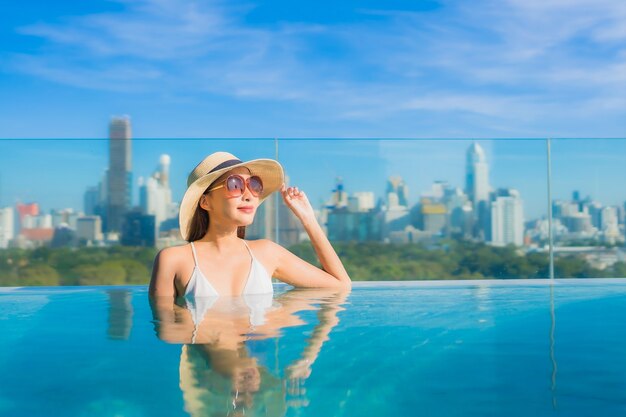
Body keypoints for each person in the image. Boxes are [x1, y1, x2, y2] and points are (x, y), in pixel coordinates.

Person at [149, 151, 352, 298]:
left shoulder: (266, 252)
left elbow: (341, 286)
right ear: (205, 201)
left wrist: (308, 219)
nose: (249, 195)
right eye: (235, 184)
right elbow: (166, 330)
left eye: (254, 185)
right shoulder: (173, 260)